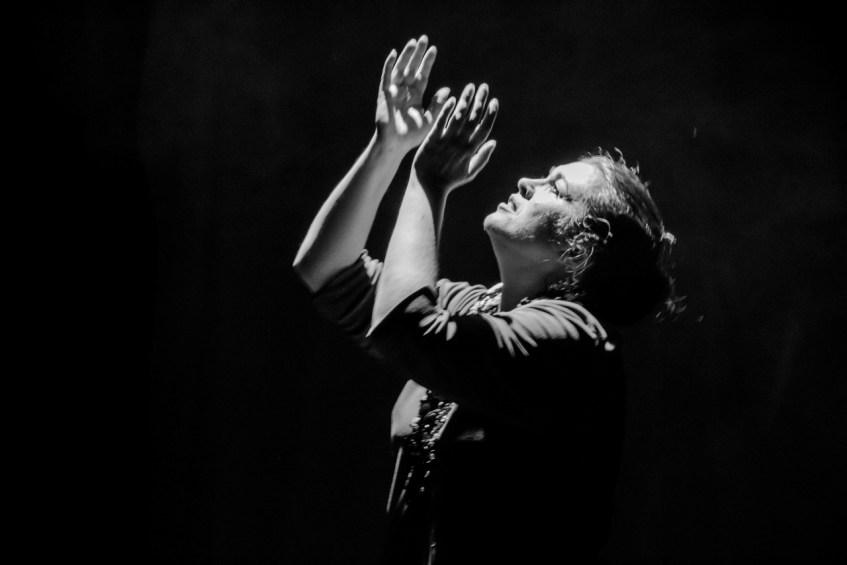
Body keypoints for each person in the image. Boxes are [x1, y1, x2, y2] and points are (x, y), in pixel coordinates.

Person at [293, 35, 675, 565]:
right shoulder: (477, 309)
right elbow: (325, 270)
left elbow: (409, 327)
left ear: (584, 243)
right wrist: (389, 150)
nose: (527, 179)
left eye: (555, 188)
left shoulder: (574, 339)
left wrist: (428, 181)